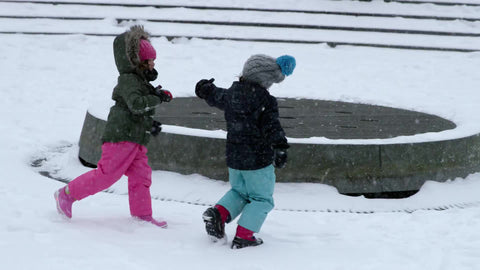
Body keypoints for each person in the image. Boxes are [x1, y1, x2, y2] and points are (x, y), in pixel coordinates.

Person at [54, 25, 173, 228]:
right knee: (107, 175)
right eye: (149, 60)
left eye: (154, 60)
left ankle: (142, 215)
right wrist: (155, 98)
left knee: (141, 176)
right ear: (139, 62)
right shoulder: (128, 80)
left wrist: (150, 120)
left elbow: (138, 109)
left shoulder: (141, 81)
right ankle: (66, 194)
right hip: (121, 136)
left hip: (135, 136)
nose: (153, 64)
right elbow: (135, 104)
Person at [195, 54, 296, 248]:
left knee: (240, 193)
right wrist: (280, 147)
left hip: (235, 158)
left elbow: (217, 96)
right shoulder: (265, 100)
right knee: (262, 199)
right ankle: (244, 236)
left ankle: (217, 214)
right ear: (266, 80)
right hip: (257, 160)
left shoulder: (233, 93)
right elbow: (272, 127)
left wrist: (206, 89)